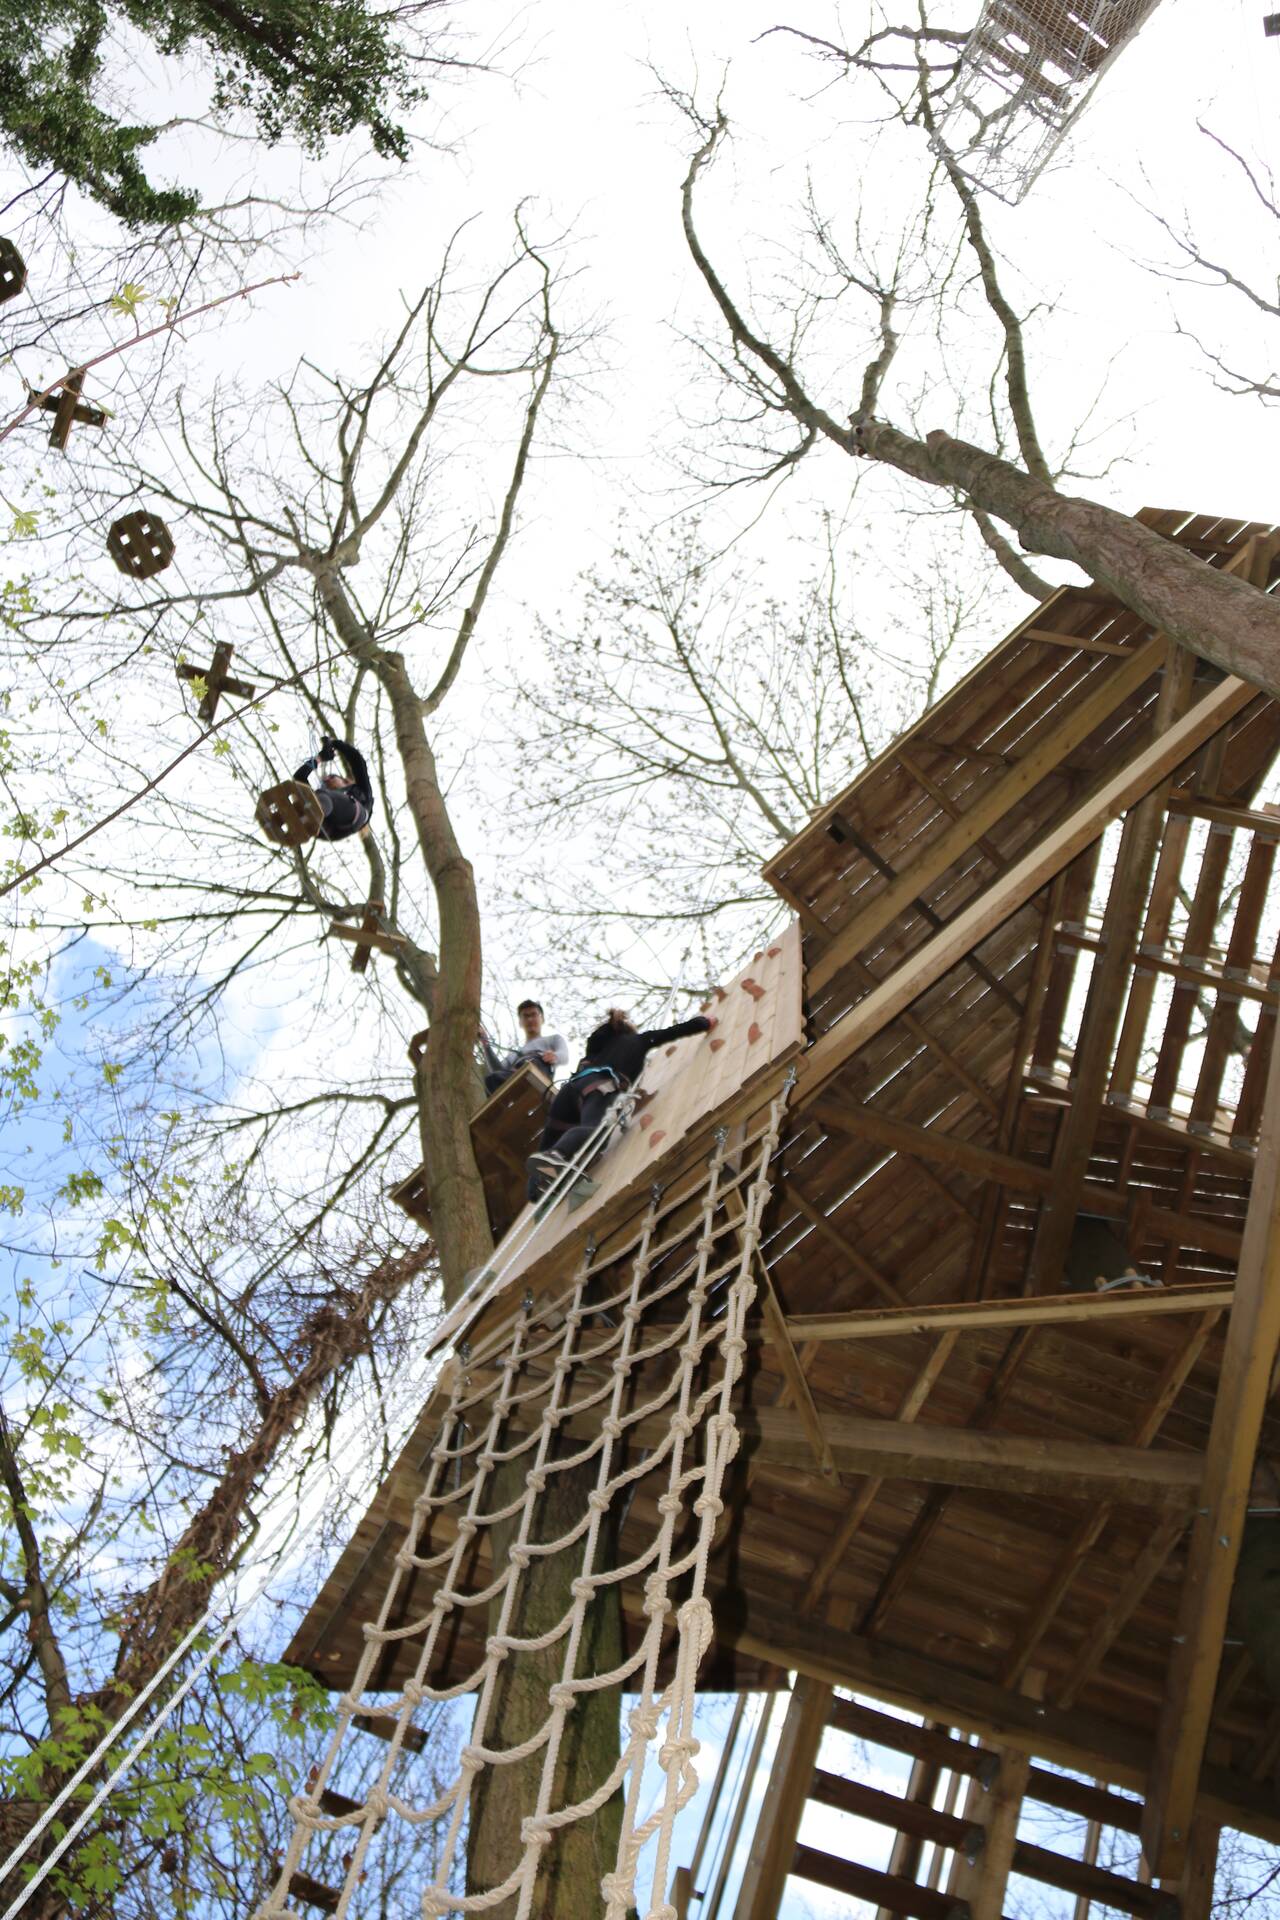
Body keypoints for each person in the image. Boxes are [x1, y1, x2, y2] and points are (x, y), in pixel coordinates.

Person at [527, 1007, 717, 1201]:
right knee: (597, 1133)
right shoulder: (639, 1040)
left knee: (551, 1140)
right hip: (600, 1086)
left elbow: (595, 1041)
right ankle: (556, 1155)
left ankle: (534, 1190)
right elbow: (672, 1032)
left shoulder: (597, 1046)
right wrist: (704, 1022)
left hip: (568, 1093)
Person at [293, 737, 374, 843]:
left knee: (322, 797)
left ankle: (310, 815)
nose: (326, 779)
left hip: (354, 815)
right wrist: (319, 758)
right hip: (326, 823)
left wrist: (335, 743)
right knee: (311, 794)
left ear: (343, 781)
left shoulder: (361, 791)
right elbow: (299, 778)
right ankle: (302, 817)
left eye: (331, 777)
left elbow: (358, 761)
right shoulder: (324, 794)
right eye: (324, 781)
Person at [481, 1000, 570, 1096]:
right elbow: (497, 1071)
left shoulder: (553, 1039)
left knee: (532, 1061)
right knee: (491, 1079)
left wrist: (555, 1056)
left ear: (542, 1019)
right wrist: (485, 1043)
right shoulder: (514, 1054)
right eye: (525, 1016)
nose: (530, 1019)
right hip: (515, 1078)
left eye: (534, 1014)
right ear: (520, 1022)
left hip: (539, 1073)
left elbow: (564, 1054)